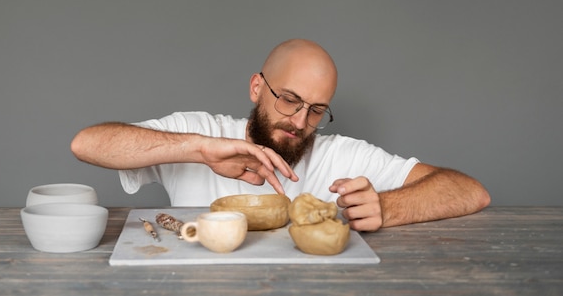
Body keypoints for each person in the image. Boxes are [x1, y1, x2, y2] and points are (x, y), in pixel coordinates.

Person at [71, 39, 490, 232]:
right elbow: (87, 143)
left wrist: (387, 207)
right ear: (257, 88)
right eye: (289, 99)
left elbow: (470, 191)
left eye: (317, 109)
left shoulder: (342, 155)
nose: (300, 121)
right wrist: (198, 149)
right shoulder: (203, 132)